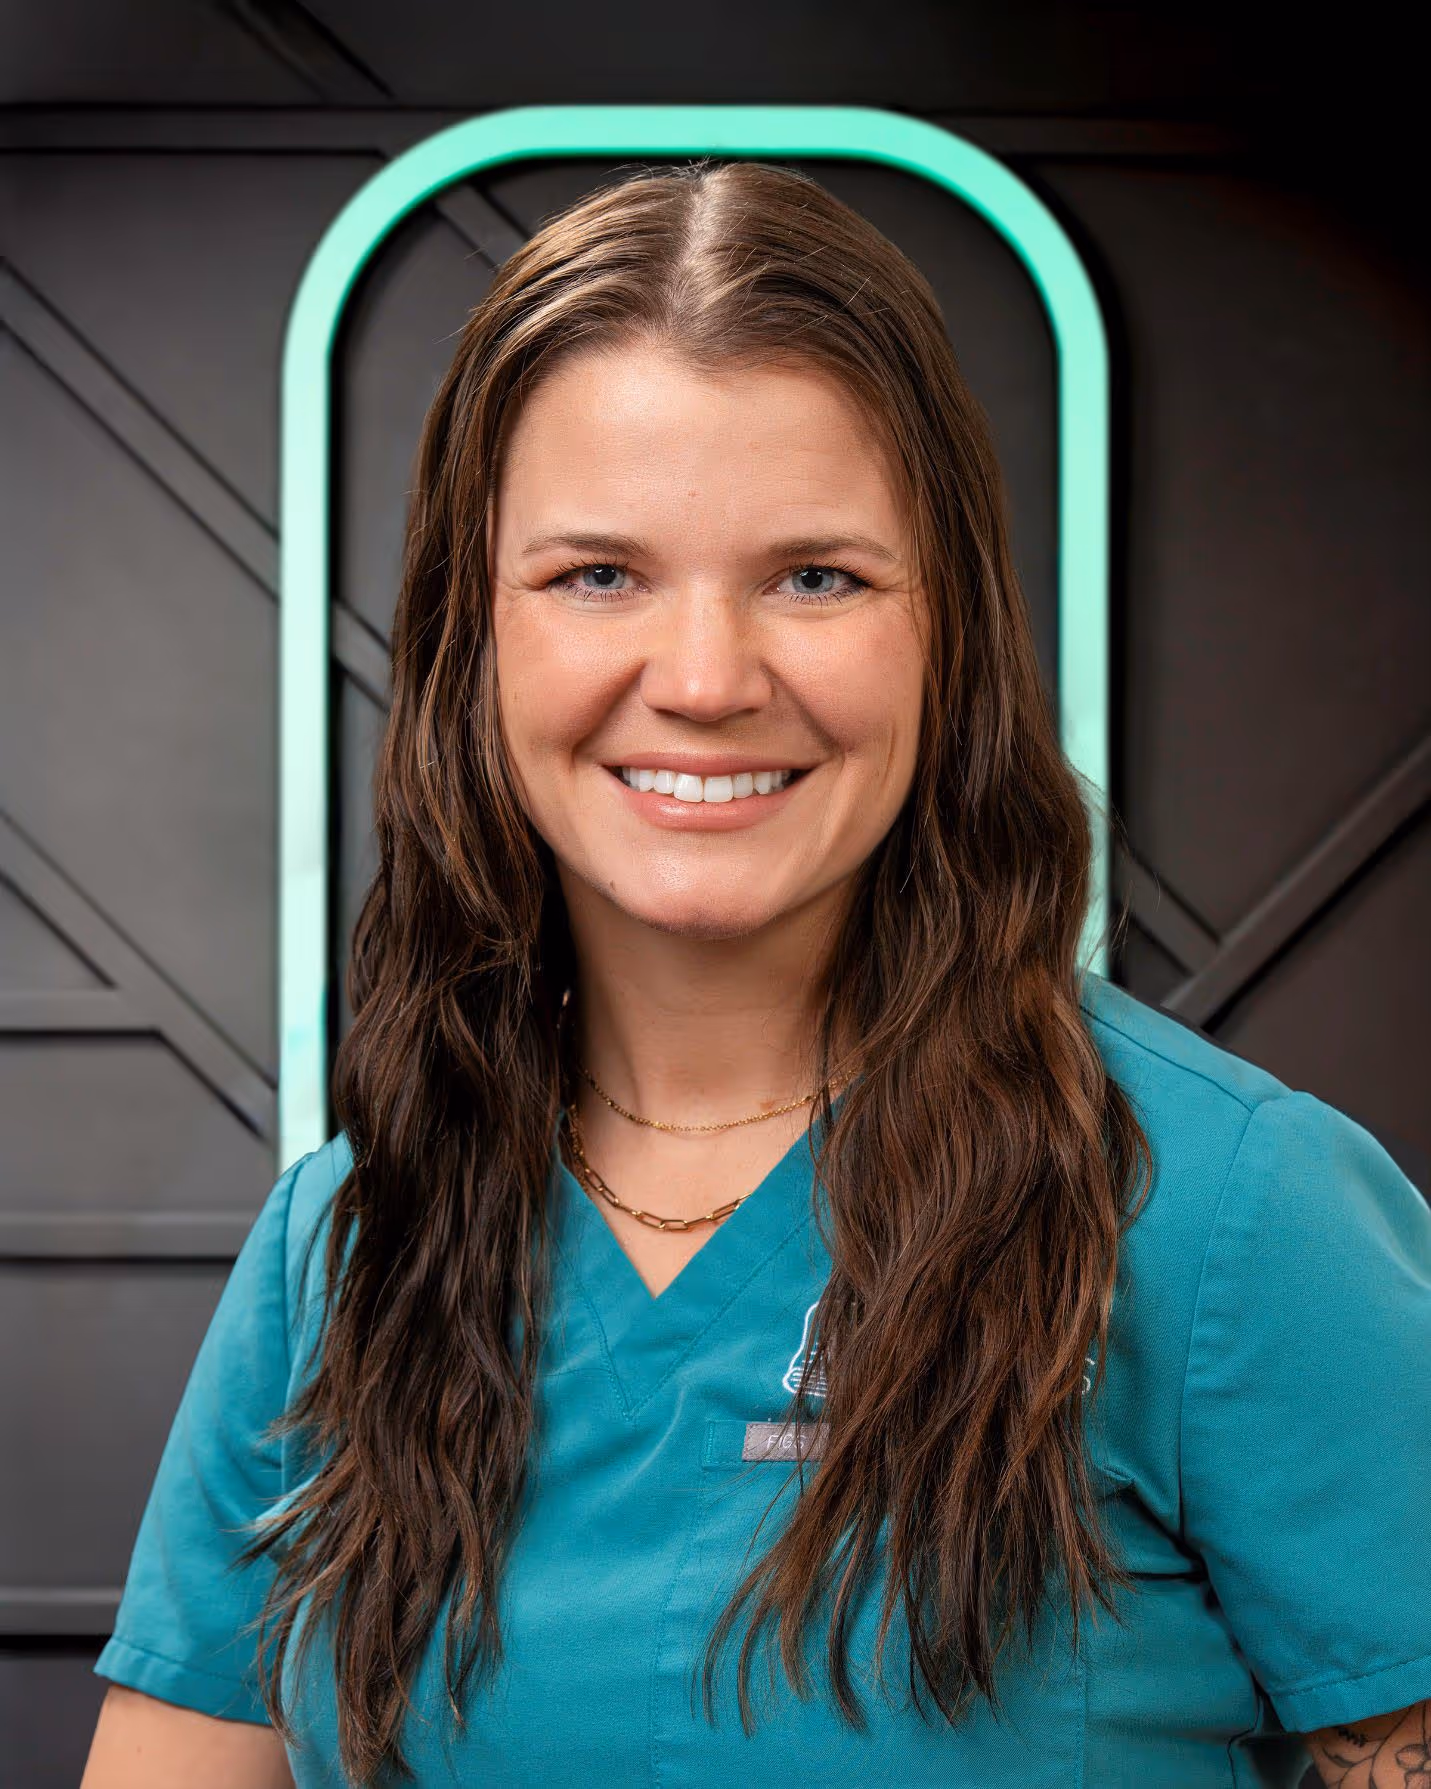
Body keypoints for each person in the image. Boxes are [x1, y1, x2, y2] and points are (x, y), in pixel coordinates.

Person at [82, 160, 1431, 1789]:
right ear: (472, 635)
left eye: (815, 576)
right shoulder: (351, 1249)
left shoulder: (1226, 1212)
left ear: (950, 633)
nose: (706, 681)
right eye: (598, 575)